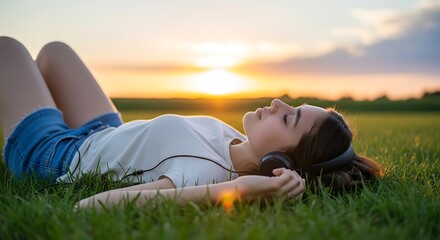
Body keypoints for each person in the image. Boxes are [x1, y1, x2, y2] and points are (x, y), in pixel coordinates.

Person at [0, 37, 381, 209]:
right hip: (104, 132)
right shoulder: (236, 142)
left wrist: (240, 191)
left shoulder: (203, 174)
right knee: (55, 52)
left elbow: (89, 207)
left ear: (279, 163)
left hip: (59, 157)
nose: (278, 102)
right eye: (292, 104)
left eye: (289, 118)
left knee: (8, 50)